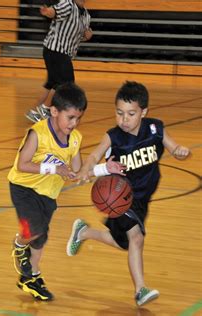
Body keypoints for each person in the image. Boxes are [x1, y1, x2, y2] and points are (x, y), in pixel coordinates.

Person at [66, 81, 191, 306]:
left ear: (144, 112)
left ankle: (83, 233)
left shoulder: (155, 129)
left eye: (131, 114)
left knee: (123, 242)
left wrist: (180, 151)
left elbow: (173, 147)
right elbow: (94, 156)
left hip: (142, 199)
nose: (124, 119)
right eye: (119, 113)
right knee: (137, 238)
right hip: (118, 197)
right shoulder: (113, 136)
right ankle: (140, 290)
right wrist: (86, 168)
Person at [9, 82, 123, 301]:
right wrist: (55, 168)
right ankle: (18, 244)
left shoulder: (75, 139)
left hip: (48, 193)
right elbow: (22, 164)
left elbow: (80, 173)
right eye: (70, 117)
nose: (74, 123)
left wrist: (104, 168)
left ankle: (30, 278)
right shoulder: (38, 134)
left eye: (78, 118)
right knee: (33, 229)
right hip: (24, 187)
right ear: (54, 111)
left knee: (41, 237)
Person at [25, 0, 92, 123]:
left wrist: (88, 35)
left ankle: (34, 112)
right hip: (55, 50)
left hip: (63, 52)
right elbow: (54, 12)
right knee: (66, 83)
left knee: (51, 83)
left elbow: (82, 34)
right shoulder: (68, 4)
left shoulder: (86, 15)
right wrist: (48, 12)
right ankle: (45, 108)